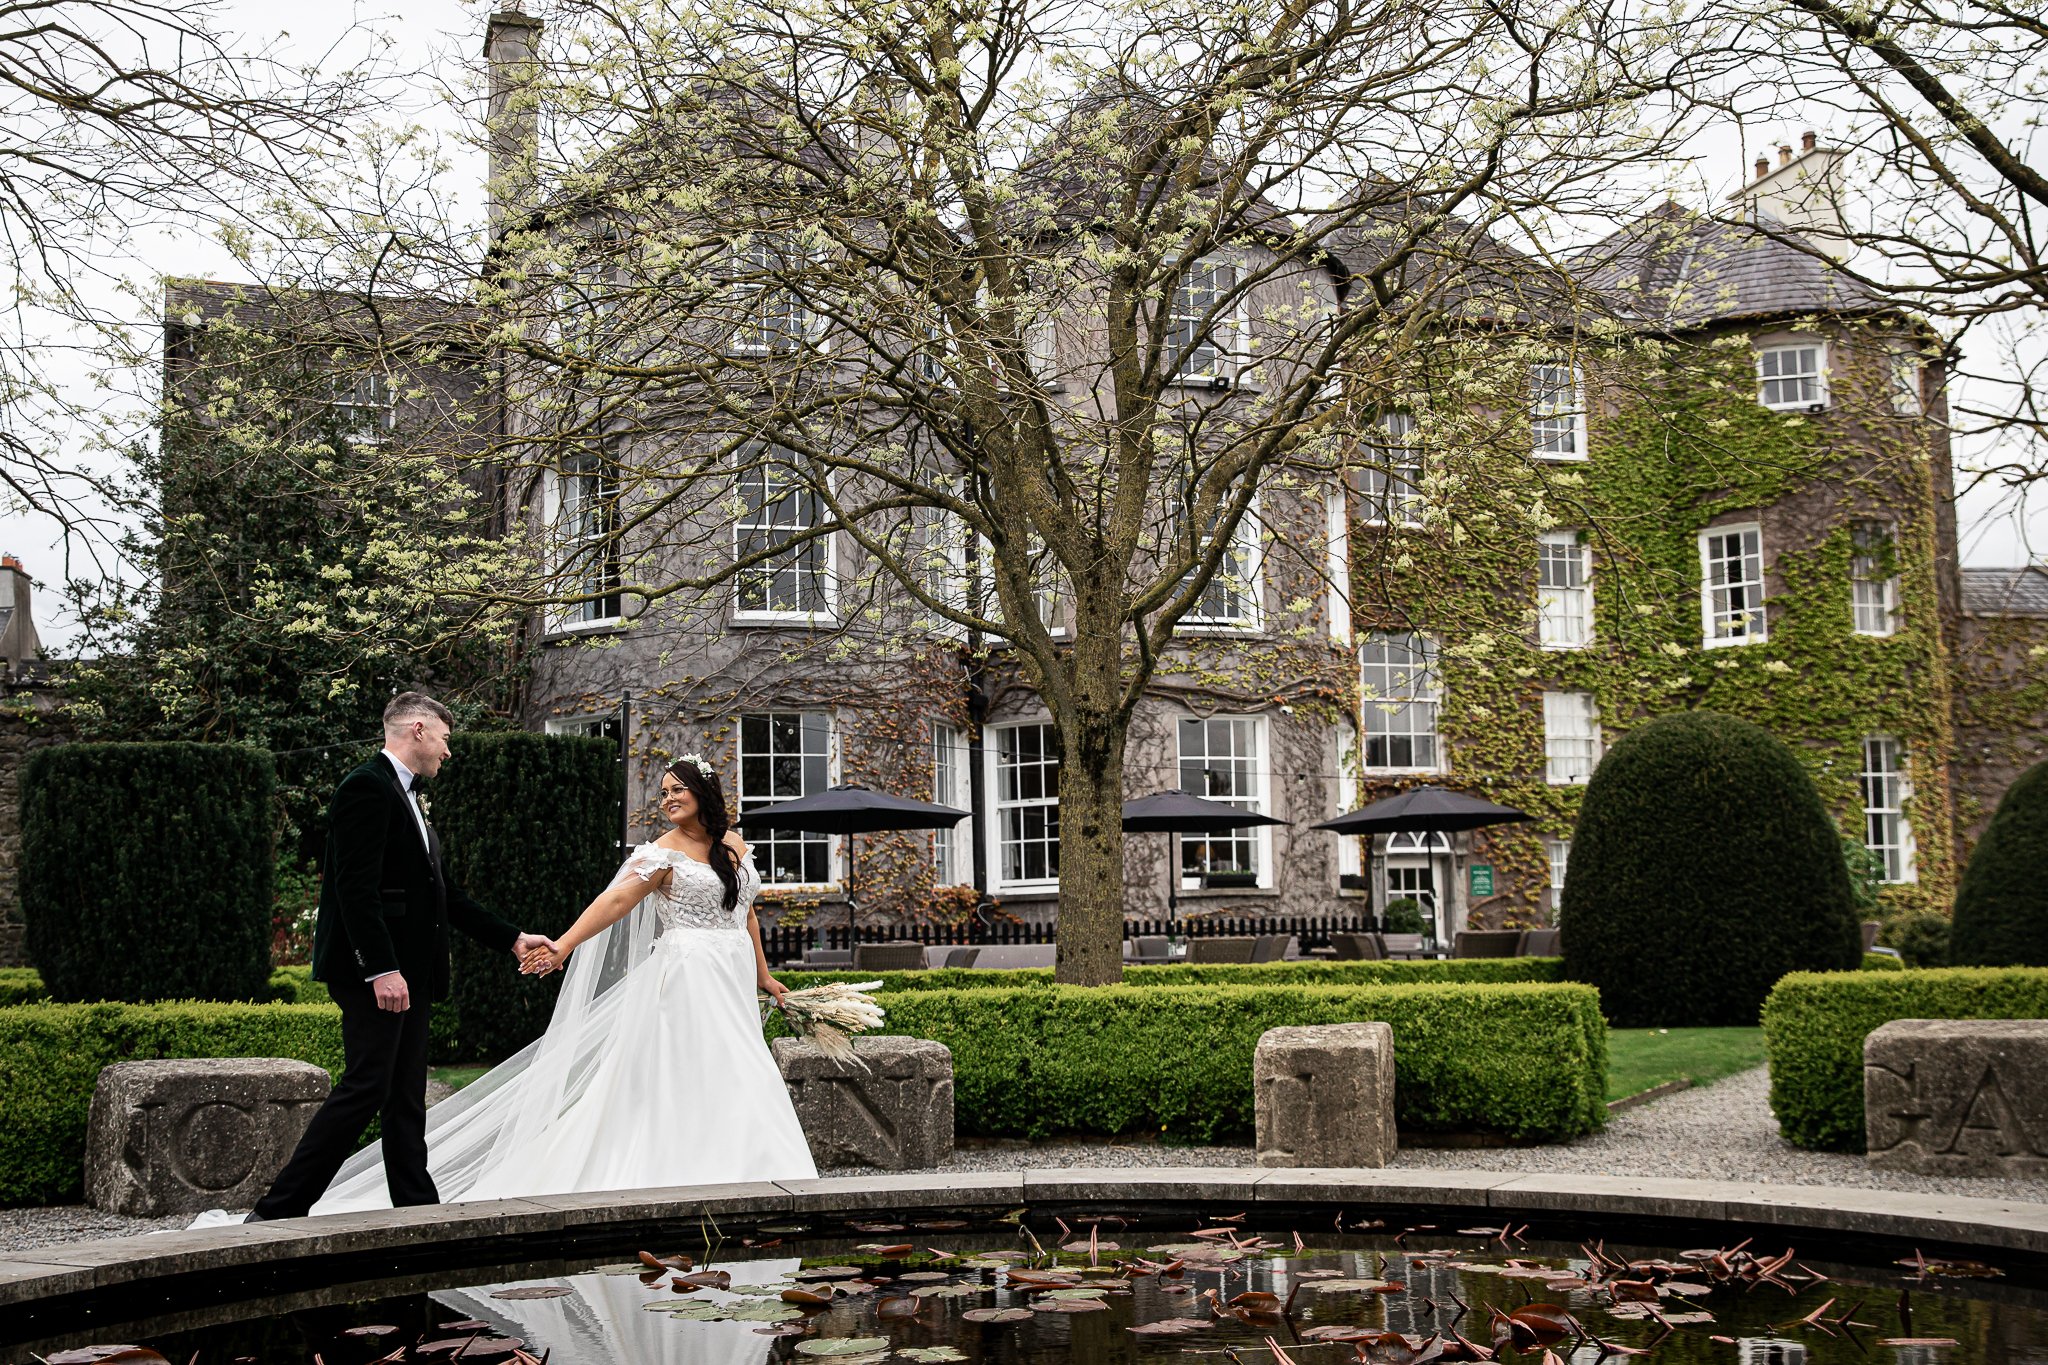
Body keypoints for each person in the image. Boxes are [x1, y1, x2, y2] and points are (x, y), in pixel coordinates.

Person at [308, 751, 816, 1212]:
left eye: (676, 790)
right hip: (688, 975)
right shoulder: (659, 853)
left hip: (731, 977)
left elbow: (744, 911)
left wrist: (765, 975)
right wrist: (565, 944)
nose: (667, 800)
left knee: (741, 1064)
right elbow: (613, 902)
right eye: (662, 793)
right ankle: (688, 1173)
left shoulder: (733, 844)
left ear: (702, 790)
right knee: (693, 1068)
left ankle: (759, 1169)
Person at [248, 692, 554, 1220]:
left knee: (406, 1096)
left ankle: (417, 1209)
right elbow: (354, 890)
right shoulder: (365, 787)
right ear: (418, 729)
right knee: (367, 1086)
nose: (448, 751)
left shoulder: (407, 796)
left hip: (407, 975)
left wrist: (511, 937)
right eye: (445, 738)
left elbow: (443, 896)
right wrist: (381, 969)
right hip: (376, 974)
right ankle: (277, 1210)